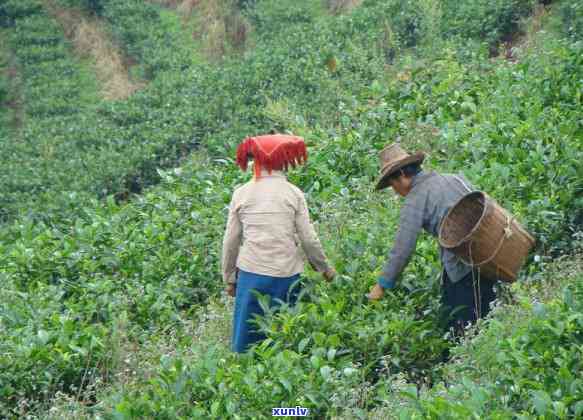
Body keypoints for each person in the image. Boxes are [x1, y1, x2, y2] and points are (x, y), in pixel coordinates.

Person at [222, 134, 336, 353]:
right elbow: (309, 240)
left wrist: (229, 278)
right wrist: (325, 270)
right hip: (288, 276)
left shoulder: (241, 194)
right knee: (288, 341)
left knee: (247, 345)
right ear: (282, 161)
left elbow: (231, 241)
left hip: (251, 276)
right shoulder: (294, 194)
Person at [367, 143, 497, 336]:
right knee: (489, 315)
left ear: (402, 174)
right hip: (489, 254)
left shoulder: (415, 199)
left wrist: (382, 285)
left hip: (460, 267)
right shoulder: (453, 178)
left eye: (392, 184)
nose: (394, 191)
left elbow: (403, 248)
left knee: (459, 326)